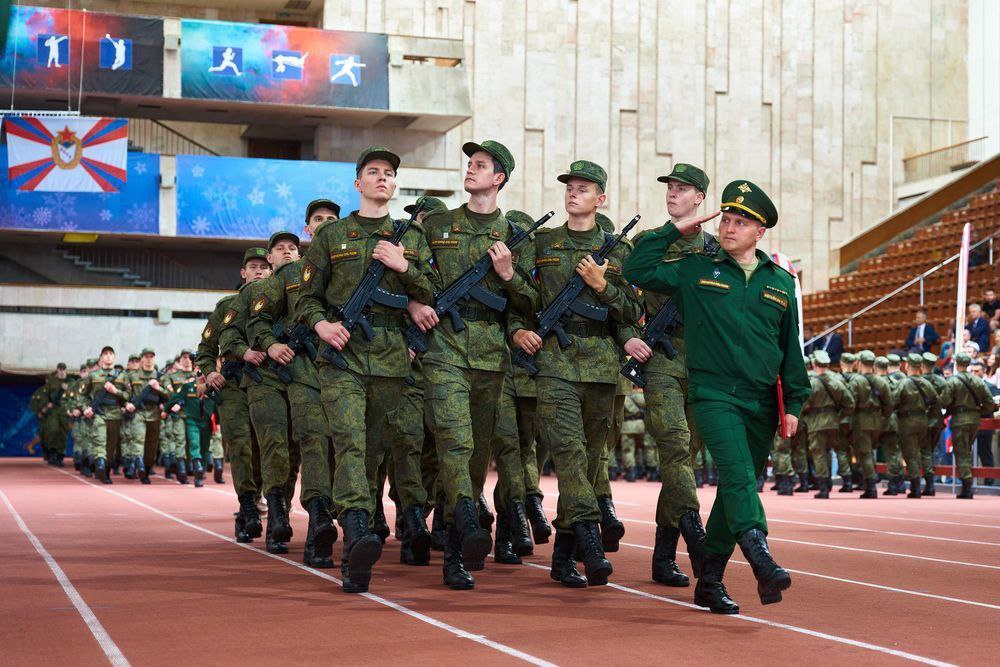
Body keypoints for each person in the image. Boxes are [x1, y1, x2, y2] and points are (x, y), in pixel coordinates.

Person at [624, 179, 810, 615]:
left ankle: (709, 580)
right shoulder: (698, 270)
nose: (728, 227)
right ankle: (759, 553)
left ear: (759, 231)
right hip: (713, 395)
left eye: (740, 222)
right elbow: (637, 269)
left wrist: (795, 405)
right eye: (725, 219)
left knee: (733, 488)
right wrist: (679, 230)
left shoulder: (781, 282)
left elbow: (790, 350)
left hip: (762, 403)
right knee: (739, 474)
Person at [297, 147, 436, 594]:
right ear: (358, 184)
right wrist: (321, 324)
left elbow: (430, 291)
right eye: (373, 172)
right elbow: (305, 296)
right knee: (351, 444)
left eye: (389, 173)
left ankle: (362, 518)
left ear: (395, 185)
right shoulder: (332, 236)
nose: (381, 177)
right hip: (342, 358)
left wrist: (404, 267)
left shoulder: (410, 237)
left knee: (374, 451)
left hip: (393, 359)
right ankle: (356, 534)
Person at [406, 140, 538, 590]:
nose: (471, 169)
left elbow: (531, 302)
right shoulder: (439, 225)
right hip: (444, 350)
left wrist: (508, 276)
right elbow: (409, 271)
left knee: (477, 454)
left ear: (499, 178)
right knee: (455, 442)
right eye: (469, 164)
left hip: (491, 356)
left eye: (480, 165)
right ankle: (465, 520)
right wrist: (412, 303)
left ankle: (454, 543)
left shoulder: (517, 234)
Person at [510, 160, 641, 588]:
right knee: (568, 454)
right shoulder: (543, 242)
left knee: (586, 465)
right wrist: (517, 329)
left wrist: (603, 286)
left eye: (583, 189)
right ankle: (588, 539)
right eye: (570, 187)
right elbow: (519, 297)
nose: (573, 193)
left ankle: (563, 557)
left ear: (600, 199)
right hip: (554, 366)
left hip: (603, 368)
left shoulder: (618, 251)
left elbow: (631, 312)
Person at [625, 162, 714, 587]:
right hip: (661, 356)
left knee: (685, 459)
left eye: (682, 189)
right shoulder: (649, 242)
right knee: (675, 449)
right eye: (670, 188)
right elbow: (629, 283)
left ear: (699, 198)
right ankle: (696, 536)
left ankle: (663, 556)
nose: (673, 194)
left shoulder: (717, 249)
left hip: (703, 361)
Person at [248, 228, 341, 569]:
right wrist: (269, 344)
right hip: (294, 371)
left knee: (334, 446)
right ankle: (295, 517)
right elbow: (257, 318)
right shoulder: (286, 277)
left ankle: (342, 515)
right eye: (281, 248)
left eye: (292, 248)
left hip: (337, 368)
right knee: (293, 444)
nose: (288, 252)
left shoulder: (340, 268)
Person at [198, 247, 271, 542]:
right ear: (243, 272)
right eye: (253, 267)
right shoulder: (227, 306)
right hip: (233, 385)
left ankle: (263, 500)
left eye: (264, 267)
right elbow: (205, 348)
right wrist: (209, 371)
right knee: (240, 445)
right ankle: (247, 505)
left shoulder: (281, 303)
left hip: (269, 384)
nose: (258, 271)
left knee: (265, 447)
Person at [801, 350, 854, 498]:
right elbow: (849, 403)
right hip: (834, 422)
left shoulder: (811, 384)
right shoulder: (837, 381)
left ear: (814, 364)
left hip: (816, 423)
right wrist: (839, 416)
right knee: (837, 451)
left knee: (819, 454)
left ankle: (824, 487)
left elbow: (804, 406)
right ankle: (846, 481)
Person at [946, 352, 996, 498]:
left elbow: (944, 401)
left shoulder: (953, 381)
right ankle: (967, 483)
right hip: (974, 419)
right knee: (966, 451)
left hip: (960, 419)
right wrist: (979, 412)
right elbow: (989, 402)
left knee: (961, 452)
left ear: (956, 364)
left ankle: (967, 486)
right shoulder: (978, 381)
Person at [81, 346, 130, 483]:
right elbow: (83, 396)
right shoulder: (93, 376)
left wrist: (115, 391)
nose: (108, 356)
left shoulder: (122, 376)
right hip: (99, 414)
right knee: (100, 440)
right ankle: (100, 463)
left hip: (115, 414)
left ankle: (106, 470)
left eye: (110, 354)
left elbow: (128, 396)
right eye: (105, 354)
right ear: (101, 358)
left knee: (111, 446)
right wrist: (85, 408)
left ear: (114, 357)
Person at [920, 352, 950, 494]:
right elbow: (947, 401)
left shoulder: (917, 381)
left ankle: (929, 484)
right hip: (937, 420)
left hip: (922, 420)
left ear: (922, 365)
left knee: (925, 452)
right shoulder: (941, 381)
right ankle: (932, 481)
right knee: (935, 451)